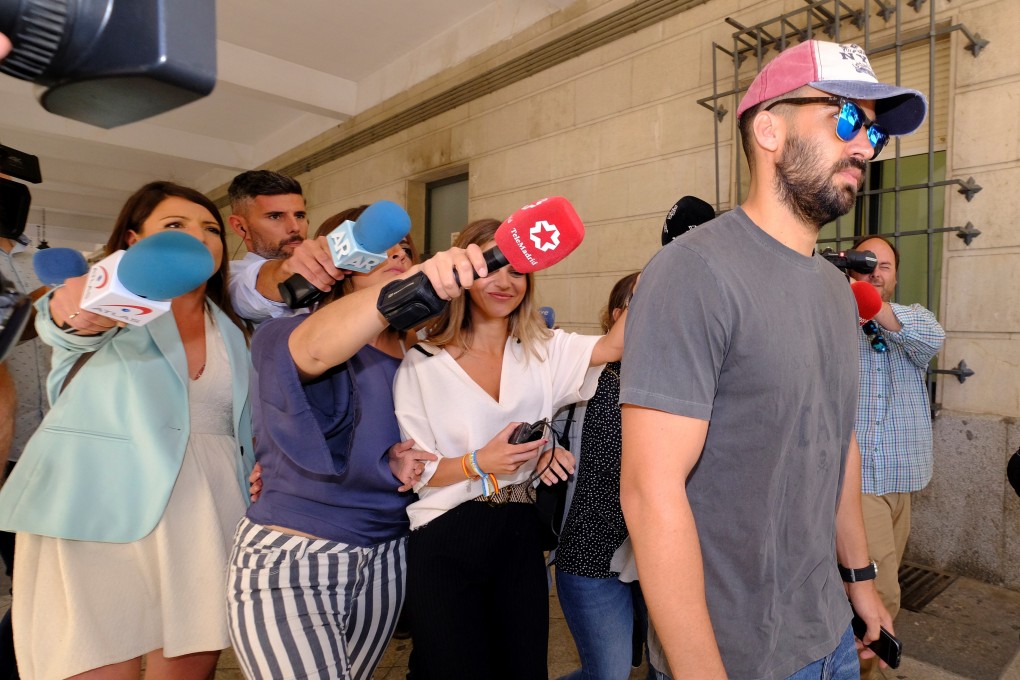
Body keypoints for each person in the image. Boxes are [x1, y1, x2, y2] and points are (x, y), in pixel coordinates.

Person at [619, 39, 927, 680]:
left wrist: (860, 581)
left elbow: (837, 445)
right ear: (768, 128)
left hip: (831, 636)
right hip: (732, 655)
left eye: (875, 133)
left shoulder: (833, 291)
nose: (865, 147)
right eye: (847, 118)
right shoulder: (693, 271)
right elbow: (651, 493)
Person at [0, 181, 254, 680]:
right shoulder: (111, 301)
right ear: (135, 242)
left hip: (209, 511)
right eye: (175, 227)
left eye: (210, 228)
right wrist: (80, 312)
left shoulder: (232, 328)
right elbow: (68, 321)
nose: (197, 237)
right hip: (96, 510)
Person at [226, 206, 461, 680]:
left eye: (406, 250)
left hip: (387, 556)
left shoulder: (427, 357)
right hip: (295, 557)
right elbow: (315, 351)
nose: (398, 254)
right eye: (380, 248)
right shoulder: (285, 332)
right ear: (339, 263)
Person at [393, 218, 626, 680]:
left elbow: (616, 342)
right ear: (463, 274)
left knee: (524, 668)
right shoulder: (423, 363)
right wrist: (479, 462)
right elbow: (416, 473)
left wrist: (674, 257)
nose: (504, 282)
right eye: (490, 267)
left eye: (517, 270)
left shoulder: (543, 351)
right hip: (444, 536)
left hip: (518, 533)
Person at [848, 235, 944, 680]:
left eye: (884, 265)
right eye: (867, 263)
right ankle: (874, 673)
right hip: (858, 481)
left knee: (877, 584)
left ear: (896, 274)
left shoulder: (914, 321)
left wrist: (870, 303)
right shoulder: (833, 321)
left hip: (904, 476)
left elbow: (929, 338)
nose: (876, 272)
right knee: (880, 588)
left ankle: (855, 664)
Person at [554, 271, 648, 680]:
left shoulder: (668, 381)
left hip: (652, 557)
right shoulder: (592, 381)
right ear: (616, 316)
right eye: (642, 302)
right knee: (607, 673)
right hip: (591, 557)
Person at [0, 228, 51, 680]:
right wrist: (32, 305)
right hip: (7, 448)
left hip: (54, 441)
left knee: (43, 576)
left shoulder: (47, 261)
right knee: (28, 577)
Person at [226, 170, 343, 323]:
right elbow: (251, 292)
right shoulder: (229, 277)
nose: (295, 227)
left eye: (299, 216)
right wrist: (288, 269)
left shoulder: (328, 269)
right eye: (275, 216)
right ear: (241, 227)